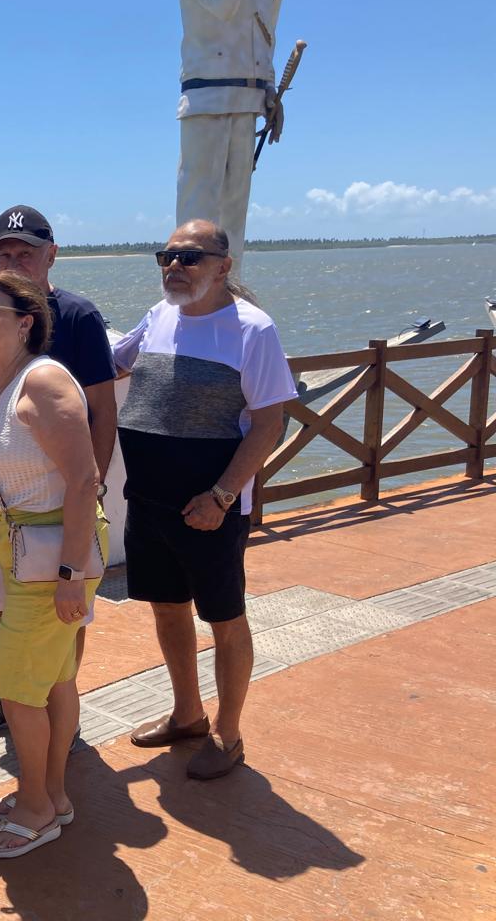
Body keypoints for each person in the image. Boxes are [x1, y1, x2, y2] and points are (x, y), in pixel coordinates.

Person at [114, 219, 294, 780]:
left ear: (223, 267)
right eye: (166, 255)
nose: (175, 266)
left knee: (224, 618)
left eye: (190, 257)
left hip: (210, 509)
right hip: (148, 501)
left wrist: (221, 496)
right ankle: (187, 715)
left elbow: (269, 423)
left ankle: (228, 733)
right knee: (167, 609)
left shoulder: (252, 329)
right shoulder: (159, 315)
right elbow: (111, 364)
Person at [0, 270, 107, 858]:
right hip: (23, 553)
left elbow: (84, 480)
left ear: (26, 322)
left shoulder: (42, 380)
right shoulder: (2, 382)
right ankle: (54, 797)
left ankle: (35, 809)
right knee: (54, 680)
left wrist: (71, 575)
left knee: (18, 689)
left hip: (51, 557)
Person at [0, 205, 116, 742]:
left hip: (62, 503)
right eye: (4, 252)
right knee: (14, 616)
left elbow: (102, 408)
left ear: (51, 254)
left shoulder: (77, 316)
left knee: (64, 622)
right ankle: (15, 703)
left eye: (24, 252)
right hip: (12, 518)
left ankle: (49, 715)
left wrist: (92, 490)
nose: (13, 260)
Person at [174, 0, 289, 279]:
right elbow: (222, 2)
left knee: (233, 226)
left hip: (248, 100)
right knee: (196, 221)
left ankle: (229, 295)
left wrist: (268, 85)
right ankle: (186, 299)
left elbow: (268, 22)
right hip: (204, 99)